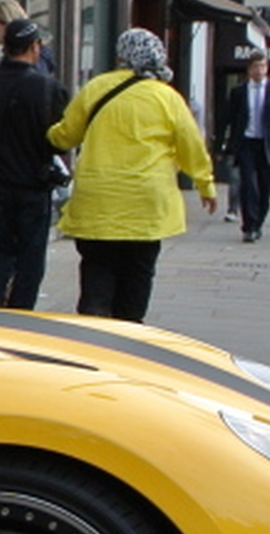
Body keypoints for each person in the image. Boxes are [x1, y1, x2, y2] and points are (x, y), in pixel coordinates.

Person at [46, 28, 218, 323]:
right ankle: (130, 334)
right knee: (138, 277)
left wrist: (47, 134)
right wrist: (205, 184)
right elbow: (191, 145)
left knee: (96, 276)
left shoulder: (97, 87)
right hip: (145, 206)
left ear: (121, 56)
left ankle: (94, 336)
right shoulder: (167, 97)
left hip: (98, 203)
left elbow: (65, 136)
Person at [0, 17, 69, 309]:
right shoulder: (48, 89)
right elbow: (60, 140)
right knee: (31, 258)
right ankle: (20, 313)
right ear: (35, 47)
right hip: (33, 184)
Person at [215, 49, 270, 243]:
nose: (259, 70)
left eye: (263, 66)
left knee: (265, 187)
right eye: (255, 67)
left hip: (266, 143)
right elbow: (227, 119)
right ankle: (249, 226)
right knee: (248, 186)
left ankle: (258, 222)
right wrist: (220, 145)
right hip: (246, 143)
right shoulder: (238, 91)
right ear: (248, 70)